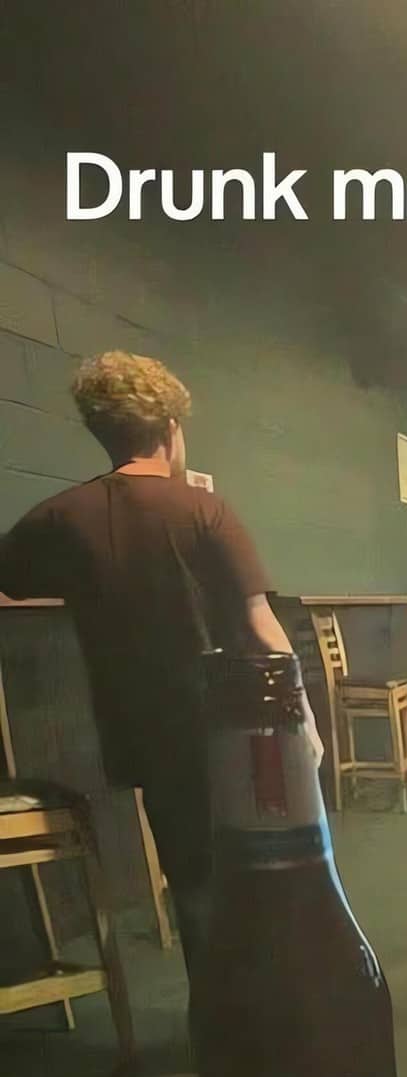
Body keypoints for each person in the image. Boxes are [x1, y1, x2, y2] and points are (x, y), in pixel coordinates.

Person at [0, 350, 312, 964]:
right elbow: (260, 625)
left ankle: (216, 1018)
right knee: (263, 867)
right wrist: (307, 722)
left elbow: (11, 579)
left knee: (191, 875)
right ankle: (270, 1002)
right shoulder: (203, 509)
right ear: (171, 430)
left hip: (139, 730)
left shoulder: (63, 515)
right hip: (233, 721)